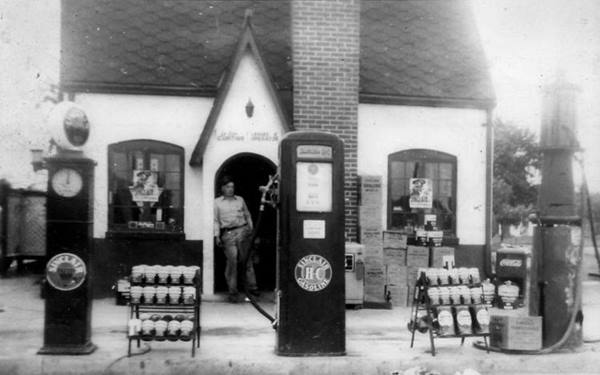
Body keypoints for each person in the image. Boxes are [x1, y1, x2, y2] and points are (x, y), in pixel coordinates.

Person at [214, 176, 259, 303]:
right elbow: (216, 220)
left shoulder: (240, 200)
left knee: (246, 260)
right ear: (222, 188)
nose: (230, 189)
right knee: (232, 262)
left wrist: (251, 229)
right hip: (228, 234)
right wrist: (216, 236)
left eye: (232, 187)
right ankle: (233, 291)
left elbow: (247, 214)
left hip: (243, 231)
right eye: (228, 187)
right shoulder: (217, 202)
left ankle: (252, 288)